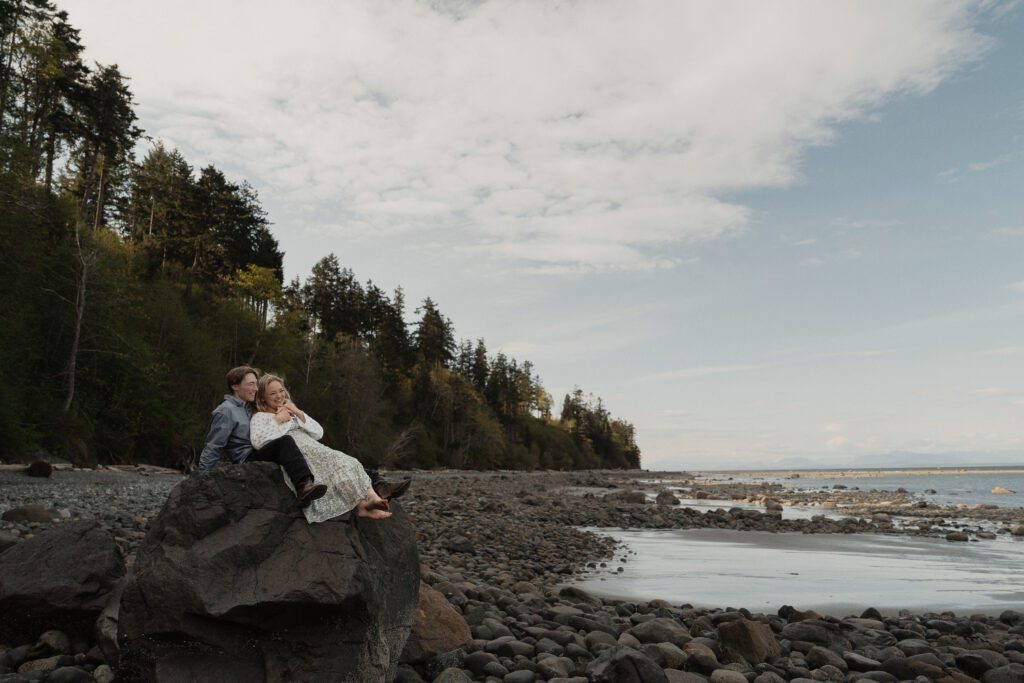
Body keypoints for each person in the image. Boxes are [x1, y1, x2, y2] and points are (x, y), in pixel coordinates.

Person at [250, 374, 392, 523]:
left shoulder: (292, 412)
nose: (279, 396)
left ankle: (371, 500)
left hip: (316, 448)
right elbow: (258, 441)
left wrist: (297, 412)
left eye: (281, 391)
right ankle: (363, 505)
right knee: (340, 468)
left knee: (351, 463)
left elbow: (318, 432)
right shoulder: (260, 417)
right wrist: (278, 420)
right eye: (273, 393)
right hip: (299, 453)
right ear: (262, 397)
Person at [197, 366, 328, 507]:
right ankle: (303, 486)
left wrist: (288, 410)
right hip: (246, 457)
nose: (256, 388)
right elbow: (213, 446)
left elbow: (269, 403)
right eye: (251, 384)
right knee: (285, 442)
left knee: (297, 449)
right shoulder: (225, 412)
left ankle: (307, 494)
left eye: (256, 383)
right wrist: (202, 477)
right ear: (235, 386)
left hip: (260, 449)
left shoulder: (248, 405)